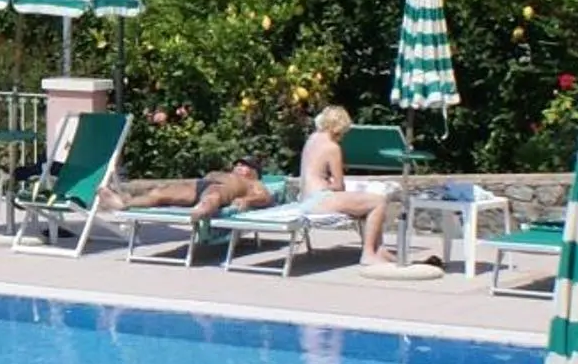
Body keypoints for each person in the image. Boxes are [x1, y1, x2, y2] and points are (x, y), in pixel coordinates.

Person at [302, 104, 396, 264]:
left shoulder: (312, 139)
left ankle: (380, 249)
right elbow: (339, 186)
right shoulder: (332, 148)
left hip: (306, 197)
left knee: (366, 201)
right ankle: (368, 253)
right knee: (378, 202)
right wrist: (330, 186)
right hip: (321, 200)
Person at [103, 158, 276, 219]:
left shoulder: (254, 183)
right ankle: (124, 203)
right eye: (237, 164)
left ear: (254, 172)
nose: (238, 167)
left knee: (213, 195)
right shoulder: (227, 174)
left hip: (221, 189)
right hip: (198, 185)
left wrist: (246, 200)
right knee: (160, 193)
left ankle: (200, 212)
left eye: (244, 166)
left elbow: (266, 198)